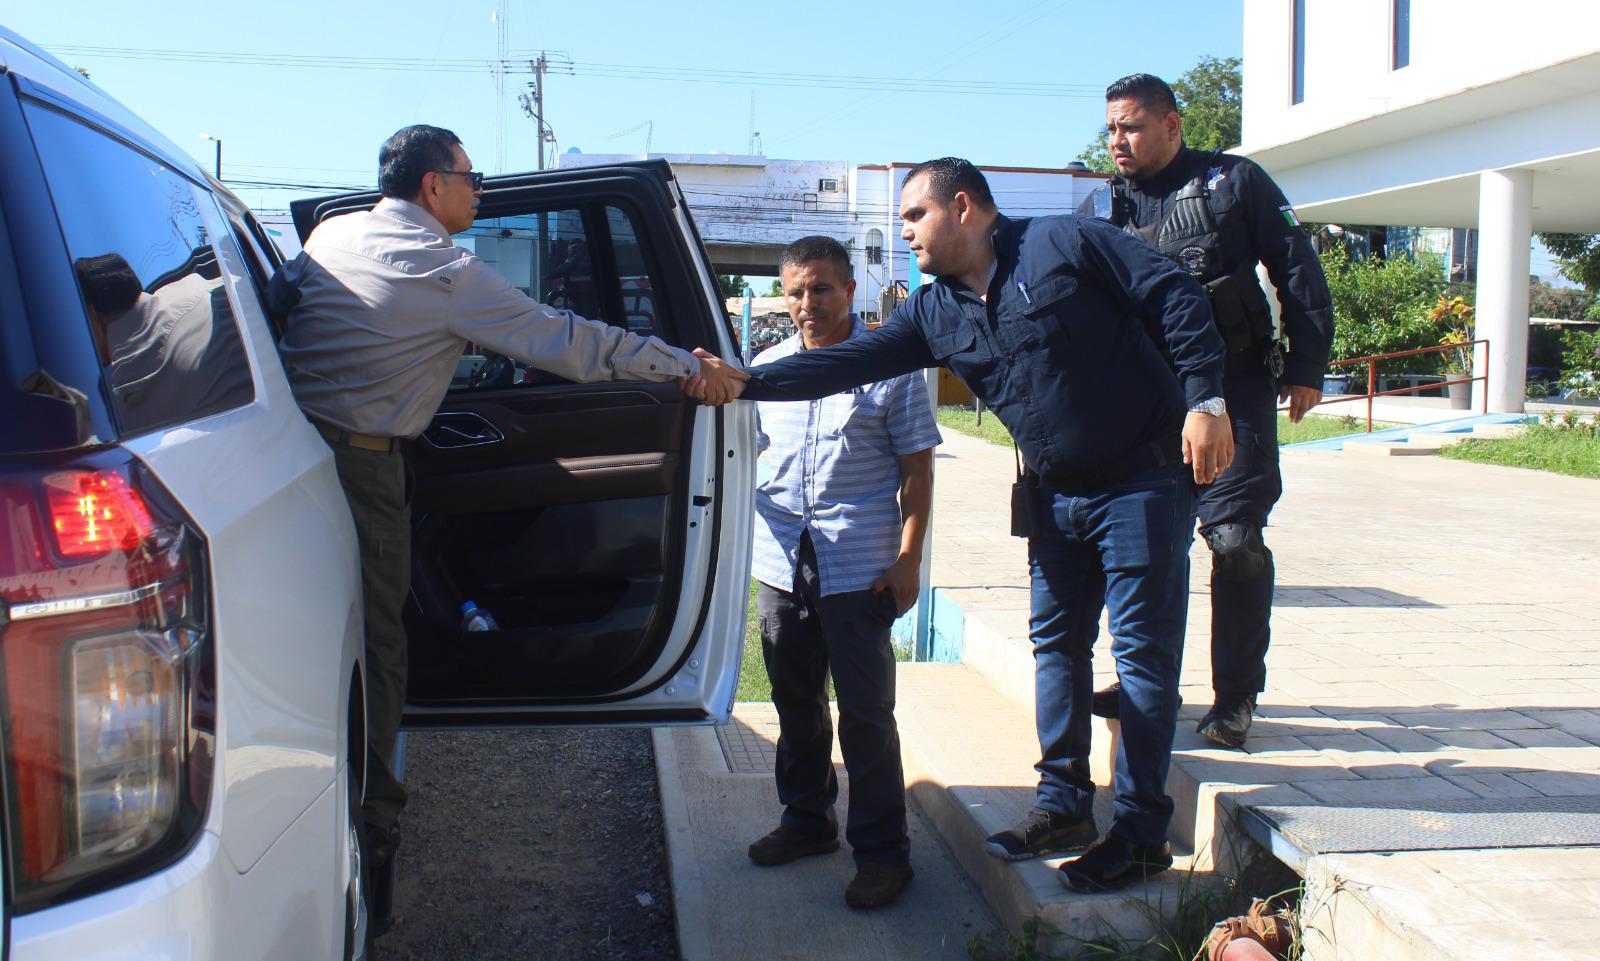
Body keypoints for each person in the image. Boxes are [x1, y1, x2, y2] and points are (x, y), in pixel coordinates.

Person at [687, 158, 1231, 893]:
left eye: (914, 216)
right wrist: (746, 380)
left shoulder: (1067, 243)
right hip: (1054, 494)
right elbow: (842, 364)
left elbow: (1175, 293)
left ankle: (1138, 833)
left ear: (963, 207)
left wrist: (1207, 400)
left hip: (1142, 480)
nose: (904, 230)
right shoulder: (934, 310)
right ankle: (1064, 805)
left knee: (1139, 657)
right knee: (1057, 648)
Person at [268, 124, 745, 876]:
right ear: (433, 187)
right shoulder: (443, 271)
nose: (480, 190)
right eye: (471, 176)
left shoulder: (332, 235)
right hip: (361, 471)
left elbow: (282, 310)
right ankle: (373, 821)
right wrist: (684, 366)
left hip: (291, 454)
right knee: (378, 641)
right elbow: (567, 341)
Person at [1079, 74, 1334, 749]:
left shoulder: (1234, 184)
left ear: (1172, 125)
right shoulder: (1106, 205)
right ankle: (1140, 680)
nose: (1117, 141)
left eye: (1130, 127)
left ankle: (1235, 696)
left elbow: (1297, 270)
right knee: (1141, 539)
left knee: (1233, 538)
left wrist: (1307, 367)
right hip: (1146, 396)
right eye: (1111, 129)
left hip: (1236, 385)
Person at [744, 236, 941, 909]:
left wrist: (910, 556)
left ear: (850, 290)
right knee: (795, 703)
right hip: (780, 564)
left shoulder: (891, 368)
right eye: (796, 291)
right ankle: (807, 820)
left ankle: (884, 853)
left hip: (860, 569)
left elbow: (917, 467)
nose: (808, 304)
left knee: (865, 714)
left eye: (821, 289)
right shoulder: (767, 368)